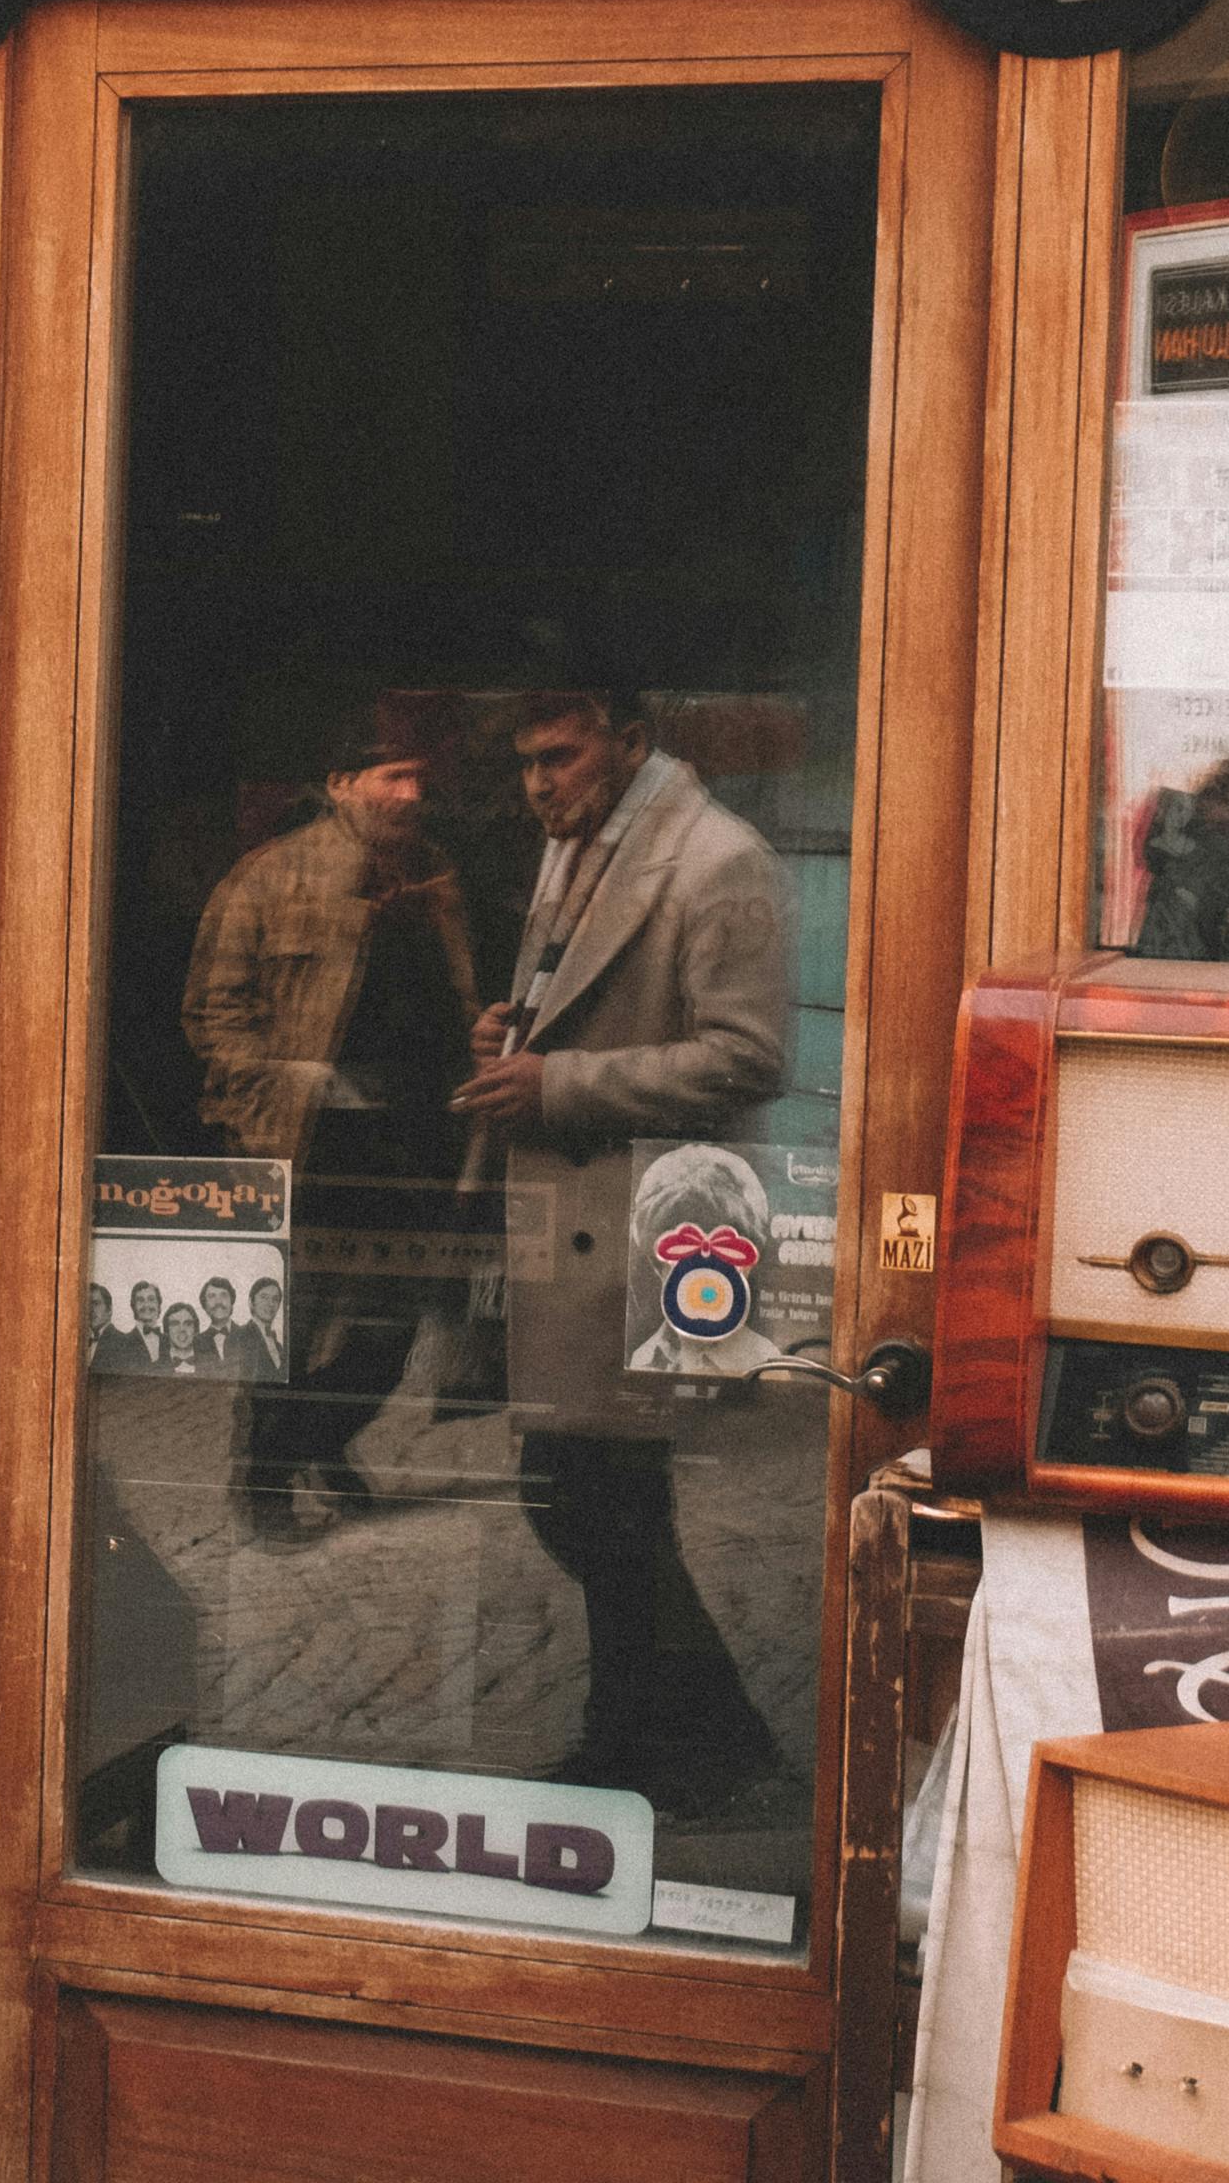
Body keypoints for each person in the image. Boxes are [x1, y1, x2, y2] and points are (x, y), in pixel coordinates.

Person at [449, 680, 790, 1817]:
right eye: (526, 762)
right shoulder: (579, 850)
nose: (539, 784)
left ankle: (665, 1736)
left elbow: (747, 1056)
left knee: (595, 1494)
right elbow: (574, 999)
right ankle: (684, 1734)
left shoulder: (716, 859)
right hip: (574, 1222)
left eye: (561, 756)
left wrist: (559, 1081)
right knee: (583, 1493)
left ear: (631, 744)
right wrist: (513, 1035)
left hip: (656, 1227)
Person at [183, 702, 482, 1538]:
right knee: (290, 1325)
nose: (411, 793)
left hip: (412, 1140)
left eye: (419, 778)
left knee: (387, 1337)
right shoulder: (267, 878)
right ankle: (265, 1480)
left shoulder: (438, 880)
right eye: (393, 776)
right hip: (311, 1143)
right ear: (341, 786)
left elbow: (461, 1004)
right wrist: (274, 1092)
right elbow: (213, 1011)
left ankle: (310, 1442)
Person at [625, 1143, 789, 1378]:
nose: (703, 1281)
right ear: (656, 1265)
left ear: (748, 1266)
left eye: (725, 1255)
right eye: (682, 1255)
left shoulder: (766, 1362)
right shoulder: (644, 1357)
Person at [236, 1277, 289, 1383]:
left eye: (275, 1299)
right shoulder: (239, 1335)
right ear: (251, 1302)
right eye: (264, 1297)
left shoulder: (279, 1346)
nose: (270, 1304)